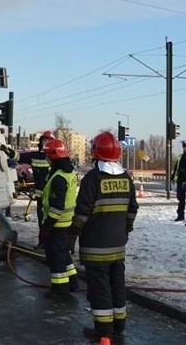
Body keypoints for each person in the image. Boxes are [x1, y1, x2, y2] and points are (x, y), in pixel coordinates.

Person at [70, 131, 138, 342]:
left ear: (96, 153)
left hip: (95, 246)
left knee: (100, 288)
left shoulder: (93, 178)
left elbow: (82, 213)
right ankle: (119, 325)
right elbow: (132, 209)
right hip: (118, 246)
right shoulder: (126, 178)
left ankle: (103, 331)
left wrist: (72, 235)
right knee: (117, 284)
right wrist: (125, 230)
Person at [40, 138, 78, 297]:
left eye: (48, 155)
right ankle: (73, 282)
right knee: (63, 254)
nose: (46, 159)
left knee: (55, 257)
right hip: (66, 223)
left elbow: (57, 207)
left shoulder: (59, 178)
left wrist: (46, 227)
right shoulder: (67, 172)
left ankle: (59, 289)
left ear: (53, 156)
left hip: (57, 225)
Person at [31, 131, 54, 246]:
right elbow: (19, 157)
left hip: (52, 197)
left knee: (51, 221)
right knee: (41, 220)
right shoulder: (35, 156)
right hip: (40, 197)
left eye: (49, 140)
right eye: (44, 140)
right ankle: (43, 242)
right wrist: (8, 152)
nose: (46, 143)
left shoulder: (55, 157)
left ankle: (50, 243)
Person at [171, 140, 186, 221]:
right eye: (184, 146)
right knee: (181, 199)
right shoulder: (181, 156)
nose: (185, 148)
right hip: (180, 180)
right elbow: (177, 168)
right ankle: (180, 216)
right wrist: (173, 178)